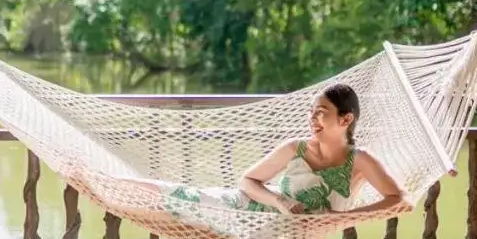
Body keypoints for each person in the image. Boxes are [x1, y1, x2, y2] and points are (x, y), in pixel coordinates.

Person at [164, 83, 412, 219]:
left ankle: (127, 190)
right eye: (311, 112)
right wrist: (279, 202)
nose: (312, 119)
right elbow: (247, 181)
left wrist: (345, 218)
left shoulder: (359, 159)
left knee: (173, 205)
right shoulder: (296, 148)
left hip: (267, 230)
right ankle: (125, 188)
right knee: (176, 198)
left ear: (345, 120)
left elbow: (400, 200)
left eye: (321, 113)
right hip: (243, 210)